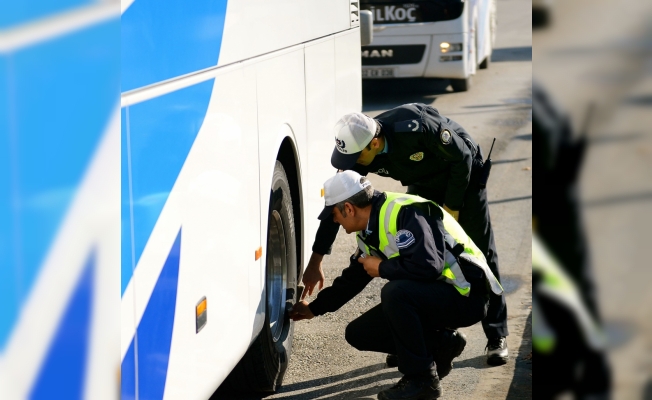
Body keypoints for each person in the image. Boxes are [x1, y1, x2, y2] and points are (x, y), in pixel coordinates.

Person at [301, 104, 509, 365]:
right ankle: (418, 337)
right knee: (416, 252)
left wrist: (451, 209)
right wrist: (316, 260)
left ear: (375, 143)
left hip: (462, 179)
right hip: (423, 183)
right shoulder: (359, 147)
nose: (351, 164)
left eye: (355, 158)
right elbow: (339, 203)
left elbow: (462, 158)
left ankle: (496, 334)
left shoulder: (416, 127)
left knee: (477, 251)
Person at [291, 171, 504, 400]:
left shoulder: (405, 211)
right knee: (358, 333)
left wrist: (382, 268)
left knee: (395, 293)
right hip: (436, 295)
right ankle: (442, 345)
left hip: (467, 296)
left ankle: (422, 380)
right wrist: (313, 309)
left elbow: (428, 266)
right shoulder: (368, 231)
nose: (335, 221)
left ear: (349, 209)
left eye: (334, 214)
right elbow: (352, 280)